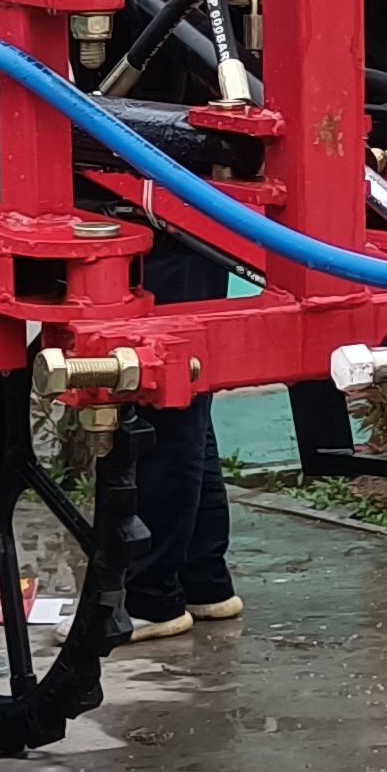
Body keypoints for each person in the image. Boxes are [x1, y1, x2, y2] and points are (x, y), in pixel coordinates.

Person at [122, 233, 243, 642]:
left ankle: (150, 597)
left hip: (163, 213)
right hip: (182, 221)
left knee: (166, 400)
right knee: (186, 403)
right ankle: (202, 579)